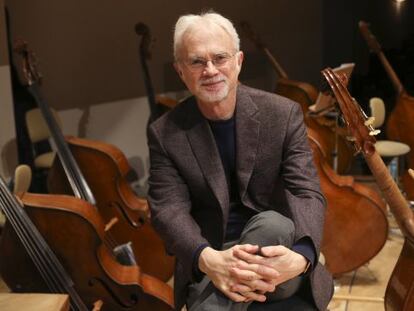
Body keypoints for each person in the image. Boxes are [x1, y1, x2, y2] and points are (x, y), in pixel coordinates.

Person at [147, 11, 333, 311]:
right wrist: (208, 259)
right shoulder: (165, 132)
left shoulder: (282, 114)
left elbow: (306, 192)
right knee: (270, 227)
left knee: (272, 224)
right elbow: (167, 209)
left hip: (278, 259)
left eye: (220, 57)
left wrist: (300, 256)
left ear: (238, 62)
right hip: (213, 257)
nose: (210, 70)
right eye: (196, 61)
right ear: (180, 71)